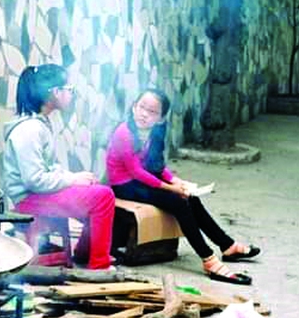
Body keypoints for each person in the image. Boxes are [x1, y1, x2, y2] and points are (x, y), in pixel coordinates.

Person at [106, 88, 260, 285]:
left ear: (160, 118)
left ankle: (227, 245)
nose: (144, 113)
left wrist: (176, 181)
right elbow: (136, 172)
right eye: (141, 107)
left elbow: (155, 166)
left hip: (143, 179)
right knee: (179, 203)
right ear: (133, 106)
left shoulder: (155, 132)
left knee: (191, 197)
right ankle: (208, 259)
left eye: (152, 112)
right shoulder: (124, 133)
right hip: (125, 184)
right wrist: (171, 188)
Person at [2, 64, 116, 270]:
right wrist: (72, 180)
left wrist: (76, 178)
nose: (70, 94)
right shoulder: (29, 130)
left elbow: (49, 169)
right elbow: (34, 180)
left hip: (38, 195)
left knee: (94, 188)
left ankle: (85, 253)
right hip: (29, 200)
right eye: (68, 89)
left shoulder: (40, 123)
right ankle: (99, 266)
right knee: (103, 197)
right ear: (55, 92)